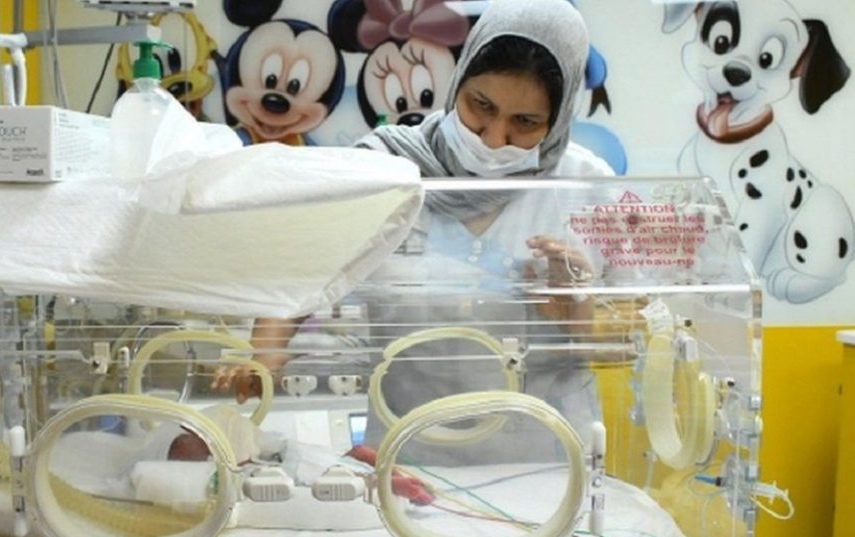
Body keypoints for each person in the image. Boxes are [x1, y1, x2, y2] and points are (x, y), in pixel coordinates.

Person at [212, 0, 613, 464]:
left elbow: (637, 333)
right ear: (457, 81)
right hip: (408, 459)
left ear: (559, 118)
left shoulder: (587, 190)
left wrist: (578, 309)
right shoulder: (387, 167)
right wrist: (264, 355)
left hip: (547, 460)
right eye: (480, 106)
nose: (493, 138)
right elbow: (307, 266)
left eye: (526, 123)